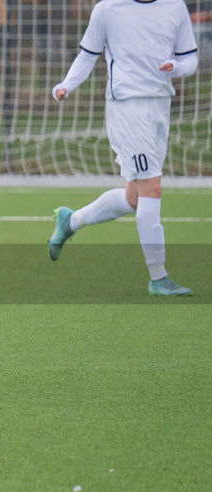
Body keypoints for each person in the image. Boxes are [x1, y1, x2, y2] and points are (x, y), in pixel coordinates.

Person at [48, 0, 199, 296]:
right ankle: (158, 277)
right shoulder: (107, 9)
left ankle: (71, 220)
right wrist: (66, 84)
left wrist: (177, 66)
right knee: (152, 188)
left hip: (159, 105)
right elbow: (87, 56)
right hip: (127, 108)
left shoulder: (175, 7)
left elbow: (190, 59)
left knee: (135, 197)